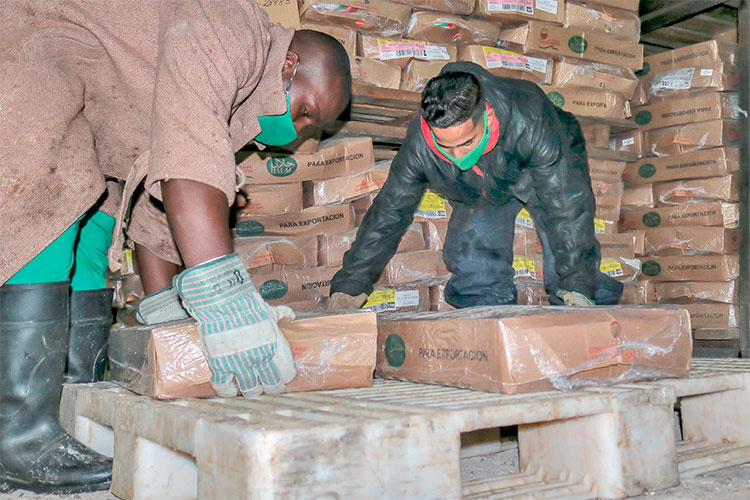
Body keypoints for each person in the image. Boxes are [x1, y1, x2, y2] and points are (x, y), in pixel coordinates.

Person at [0, 0, 351, 493]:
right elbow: (188, 157)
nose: (297, 131)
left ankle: (74, 397)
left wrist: (165, 303)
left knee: (98, 223)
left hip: (76, 86)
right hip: (27, 48)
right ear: (288, 66)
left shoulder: (234, 108)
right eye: (306, 110)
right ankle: (19, 438)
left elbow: (155, 201)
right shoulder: (233, 22)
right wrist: (224, 300)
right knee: (46, 212)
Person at [328, 62, 622, 311]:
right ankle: (486, 312)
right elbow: (389, 213)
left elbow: (567, 209)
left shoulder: (530, 119)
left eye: (466, 142)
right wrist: (350, 285)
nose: (458, 157)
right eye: (446, 146)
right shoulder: (420, 145)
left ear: (488, 117)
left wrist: (577, 287)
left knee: (564, 256)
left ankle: (588, 295)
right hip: (482, 186)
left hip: (540, 160)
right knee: (472, 256)